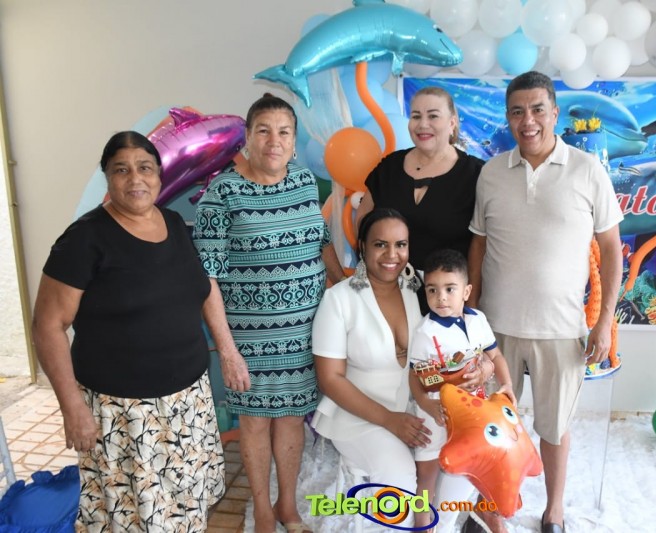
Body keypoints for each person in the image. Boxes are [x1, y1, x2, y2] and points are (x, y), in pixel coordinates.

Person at [32, 131, 237, 531]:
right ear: (107, 177)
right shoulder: (84, 239)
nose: (135, 179)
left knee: (187, 507)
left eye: (145, 168)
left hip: (188, 404)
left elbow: (204, 288)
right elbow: (47, 326)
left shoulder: (173, 222)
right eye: (121, 170)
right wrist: (72, 408)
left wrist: (228, 352)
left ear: (159, 174)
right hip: (124, 416)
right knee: (137, 519)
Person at [467, 71, 623, 533]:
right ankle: (489, 507)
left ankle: (553, 510)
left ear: (555, 113)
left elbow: (611, 250)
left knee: (554, 429)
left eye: (537, 109)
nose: (528, 120)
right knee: (493, 425)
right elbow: (478, 245)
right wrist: (471, 318)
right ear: (508, 117)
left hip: (561, 329)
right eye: (517, 111)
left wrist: (605, 321)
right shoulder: (491, 174)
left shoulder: (587, 170)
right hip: (496, 330)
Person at [193, 93, 344, 533]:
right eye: (264, 131)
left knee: (292, 419)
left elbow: (320, 243)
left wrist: (346, 288)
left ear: (294, 142)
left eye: (283, 132)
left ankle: (286, 506)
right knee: (256, 423)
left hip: (303, 333)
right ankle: (262, 510)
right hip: (249, 341)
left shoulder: (303, 181)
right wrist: (227, 351)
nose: (274, 141)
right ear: (247, 137)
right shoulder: (221, 194)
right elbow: (206, 279)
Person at [312, 209, 478, 531]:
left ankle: (438, 527)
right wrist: (389, 420)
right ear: (362, 246)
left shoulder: (420, 291)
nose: (392, 255)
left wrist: (480, 367)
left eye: (400, 244)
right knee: (400, 484)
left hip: (418, 405)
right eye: (380, 244)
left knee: (471, 453)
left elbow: (456, 339)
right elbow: (330, 380)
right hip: (360, 416)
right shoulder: (339, 299)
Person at [408, 248, 515, 532]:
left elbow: (495, 355)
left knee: (468, 466)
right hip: (435, 415)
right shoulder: (425, 333)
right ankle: (423, 525)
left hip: (471, 415)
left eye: (449, 289)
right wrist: (427, 404)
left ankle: (445, 522)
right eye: (432, 290)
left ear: (466, 291)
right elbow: (416, 378)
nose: (440, 297)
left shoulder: (478, 320)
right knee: (427, 474)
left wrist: (506, 384)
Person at [355, 86, 485, 312]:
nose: (423, 124)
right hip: (386, 296)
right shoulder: (389, 167)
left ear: (452, 122)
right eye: (416, 116)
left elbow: (480, 247)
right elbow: (364, 223)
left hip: (445, 304)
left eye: (433, 116)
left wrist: (471, 307)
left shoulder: (476, 174)